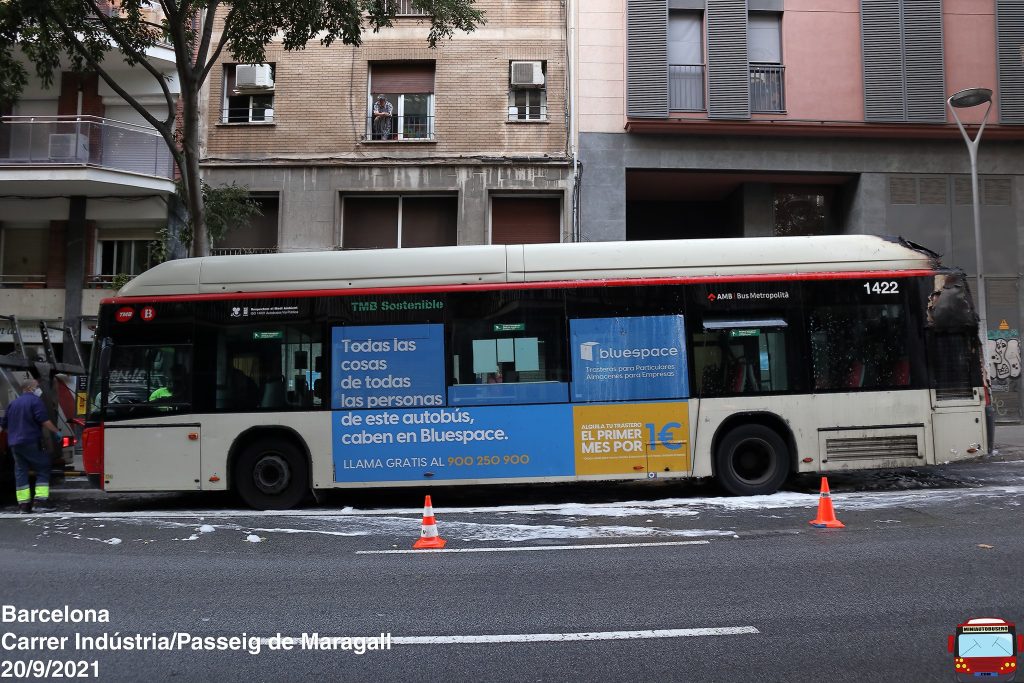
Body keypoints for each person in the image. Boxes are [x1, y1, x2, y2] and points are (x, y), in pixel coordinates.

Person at [1, 379, 60, 513]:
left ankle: (23, 504)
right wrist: (56, 431)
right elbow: (43, 420)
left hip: (15, 444)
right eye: (37, 386)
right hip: (31, 441)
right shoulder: (35, 401)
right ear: (29, 388)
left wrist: (14, 435)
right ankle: (40, 502)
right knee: (42, 468)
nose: (38, 389)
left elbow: (4, 425)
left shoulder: (13, 403)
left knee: (20, 471)